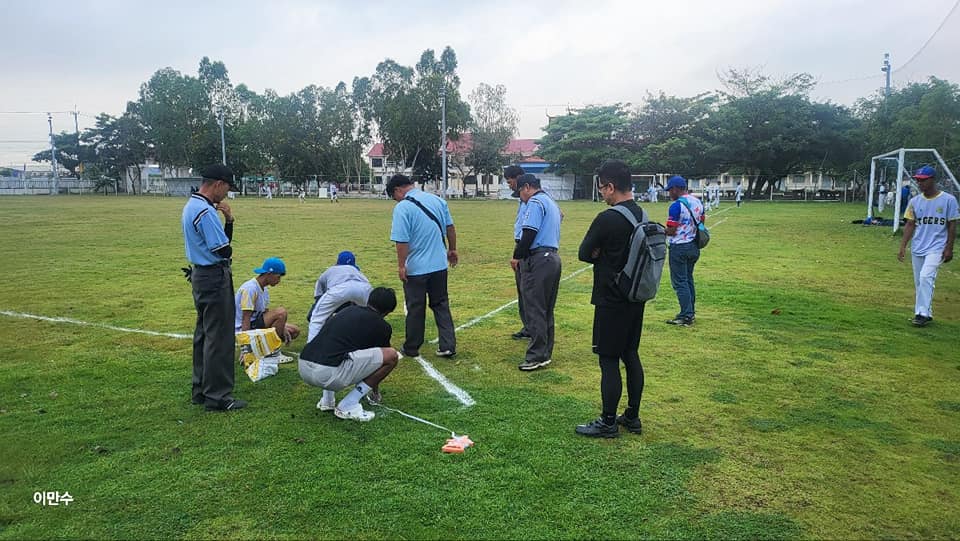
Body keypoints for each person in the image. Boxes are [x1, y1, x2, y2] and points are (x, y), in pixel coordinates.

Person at [575, 159, 647, 438]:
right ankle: (632, 415)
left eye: (602, 188)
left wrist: (600, 254)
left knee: (608, 359)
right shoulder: (642, 214)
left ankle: (607, 421)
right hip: (635, 296)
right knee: (630, 354)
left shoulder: (608, 218)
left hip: (610, 298)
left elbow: (584, 252)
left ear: (611, 187)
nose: (602, 194)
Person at [181, 164, 247, 411]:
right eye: (227, 188)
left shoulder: (192, 205)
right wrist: (227, 222)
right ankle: (218, 396)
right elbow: (224, 249)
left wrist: (228, 219)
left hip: (200, 275)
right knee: (219, 337)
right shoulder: (205, 212)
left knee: (204, 334)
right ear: (218, 184)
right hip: (214, 276)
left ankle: (200, 389)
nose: (226, 194)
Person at [299, 287, 400, 422]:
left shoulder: (347, 310)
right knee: (392, 355)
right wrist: (375, 391)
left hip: (304, 365)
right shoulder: (382, 326)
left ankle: (327, 401)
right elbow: (381, 361)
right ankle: (349, 404)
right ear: (388, 311)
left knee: (336, 349)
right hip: (327, 373)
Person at [387, 174, 458, 358]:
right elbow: (450, 227)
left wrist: (401, 266)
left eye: (394, 197)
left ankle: (412, 347)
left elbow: (401, 241)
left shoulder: (402, 208)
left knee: (416, 308)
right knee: (441, 304)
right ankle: (448, 345)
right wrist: (453, 249)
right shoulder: (437, 200)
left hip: (416, 269)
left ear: (397, 190)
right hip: (439, 265)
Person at [510, 174, 562, 371]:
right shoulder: (551, 202)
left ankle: (536, 355)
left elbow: (529, 233)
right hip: (552, 258)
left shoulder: (535, 202)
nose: (521, 198)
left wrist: (517, 256)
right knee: (546, 309)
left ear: (526, 187)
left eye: (520, 193)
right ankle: (545, 352)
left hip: (538, 259)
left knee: (534, 308)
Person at [897, 166, 958, 327]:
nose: (920, 183)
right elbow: (910, 224)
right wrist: (903, 246)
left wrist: (949, 247)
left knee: (926, 277)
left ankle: (921, 313)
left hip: (937, 247)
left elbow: (952, 225)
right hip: (918, 246)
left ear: (932, 180)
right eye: (918, 180)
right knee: (920, 281)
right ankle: (926, 312)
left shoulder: (948, 200)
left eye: (923, 180)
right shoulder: (915, 201)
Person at [235, 257, 300, 351]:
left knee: (294, 331)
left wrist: (282, 327)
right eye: (278, 277)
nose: (279, 281)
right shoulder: (250, 289)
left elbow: (265, 313)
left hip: (256, 323)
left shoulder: (264, 289)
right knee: (281, 312)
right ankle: (272, 351)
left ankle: (263, 347)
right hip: (245, 328)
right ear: (269, 274)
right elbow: (246, 319)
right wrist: (246, 346)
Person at [665, 175, 704, 327]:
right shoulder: (697, 201)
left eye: (670, 190)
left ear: (675, 189)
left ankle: (686, 315)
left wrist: (663, 231)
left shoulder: (676, 206)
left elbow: (672, 230)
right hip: (693, 246)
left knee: (680, 282)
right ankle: (690, 311)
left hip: (679, 247)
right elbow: (701, 222)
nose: (669, 193)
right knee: (688, 280)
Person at [307, 251, 373, 341]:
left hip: (339, 290)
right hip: (363, 288)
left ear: (337, 263)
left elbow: (319, 298)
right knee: (371, 316)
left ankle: (311, 348)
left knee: (317, 319)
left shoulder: (330, 271)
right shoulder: (357, 271)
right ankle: (375, 343)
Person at [504, 165, 530, 340]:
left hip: (527, 249)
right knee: (523, 291)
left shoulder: (534, 199)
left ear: (519, 178)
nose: (509, 185)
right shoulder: (522, 199)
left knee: (529, 292)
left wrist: (517, 255)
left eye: (510, 181)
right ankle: (528, 327)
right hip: (522, 246)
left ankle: (533, 329)